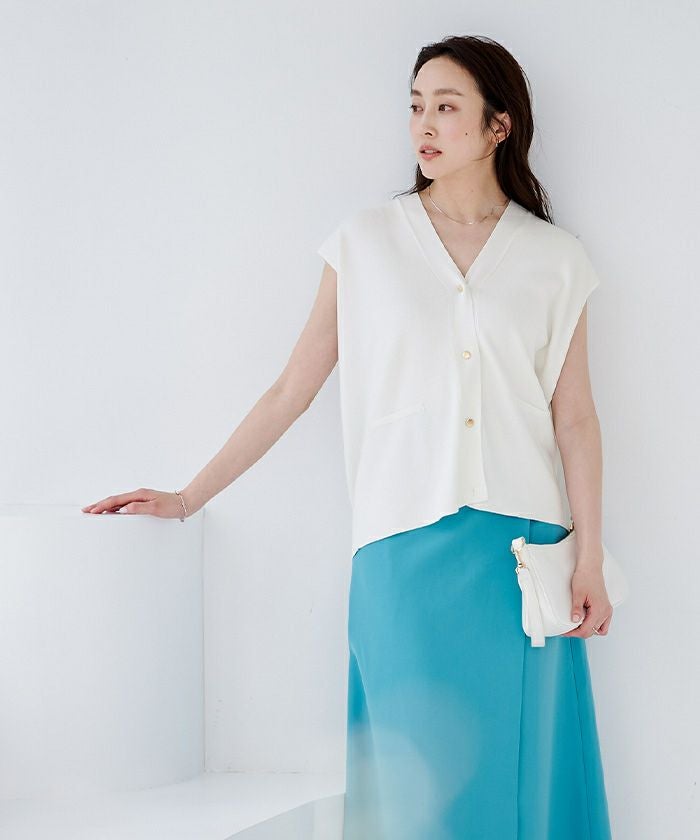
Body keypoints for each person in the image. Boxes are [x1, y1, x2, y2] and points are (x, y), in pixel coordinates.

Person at [83, 34, 614, 840]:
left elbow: (574, 418)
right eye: (415, 106)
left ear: (498, 126)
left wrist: (591, 557)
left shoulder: (555, 259)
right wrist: (188, 497)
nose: (423, 124)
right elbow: (291, 390)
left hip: (520, 556)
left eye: (446, 107)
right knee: (417, 789)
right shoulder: (365, 242)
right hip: (401, 548)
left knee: (522, 779)